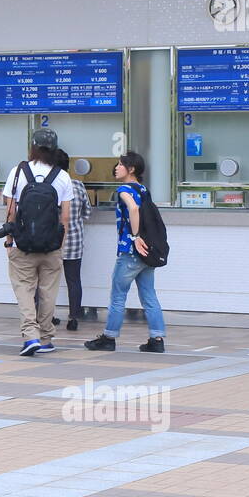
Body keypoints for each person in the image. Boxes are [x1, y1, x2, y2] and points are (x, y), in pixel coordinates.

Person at [84, 151, 166, 353]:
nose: (116, 167)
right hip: (147, 253)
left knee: (118, 296)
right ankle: (157, 339)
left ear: (132, 169)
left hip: (130, 251)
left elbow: (133, 209)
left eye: (121, 164)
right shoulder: (143, 189)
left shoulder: (124, 189)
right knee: (149, 295)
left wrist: (135, 236)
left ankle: (109, 338)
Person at [2, 133, 72, 356]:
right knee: (48, 293)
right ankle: (45, 338)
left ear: (32, 147)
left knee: (24, 289)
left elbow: (11, 210)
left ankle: (30, 336)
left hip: (23, 244)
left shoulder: (18, 171)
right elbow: (65, 218)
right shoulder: (62, 176)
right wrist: (59, 245)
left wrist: (9, 240)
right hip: (51, 246)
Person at [50, 150, 90, 332]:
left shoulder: (48, 186)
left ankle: (47, 316)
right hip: (74, 242)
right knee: (74, 281)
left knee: (47, 281)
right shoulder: (78, 186)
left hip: (51, 242)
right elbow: (87, 213)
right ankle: (74, 317)